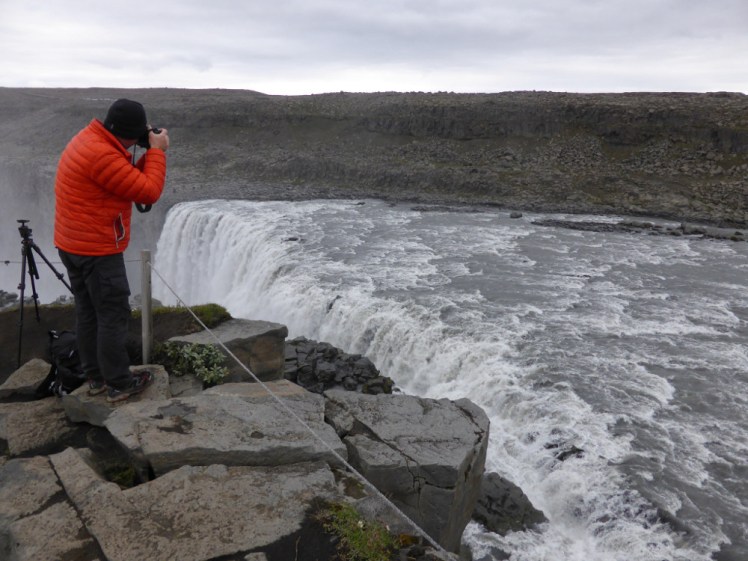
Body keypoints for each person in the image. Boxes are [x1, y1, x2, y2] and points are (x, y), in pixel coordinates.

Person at [54, 98, 170, 402]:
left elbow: (126, 179)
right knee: (112, 315)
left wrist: (147, 152)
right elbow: (148, 191)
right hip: (96, 250)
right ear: (131, 134)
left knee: (90, 312)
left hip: (73, 244)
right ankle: (119, 382)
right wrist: (156, 151)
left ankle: (95, 377)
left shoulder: (91, 139)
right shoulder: (102, 154)